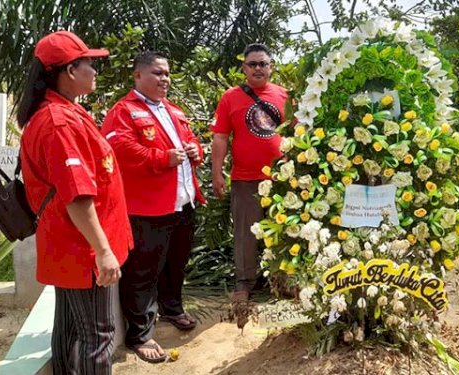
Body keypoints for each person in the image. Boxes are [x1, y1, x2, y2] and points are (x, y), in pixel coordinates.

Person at [17, 31, 132, 374]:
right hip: (81, 247)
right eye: (89, 64)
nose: (95, 71)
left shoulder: (60, 112)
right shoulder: (59, 122)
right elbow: (77, 196)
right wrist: (103, 251)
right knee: (98, 337)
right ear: (68, 70)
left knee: (70, 329)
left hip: (67, 244)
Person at [101, 51, 204, 363]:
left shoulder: (173, 111)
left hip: (183, 202)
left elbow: (192, 142)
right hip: (148, 208)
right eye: (157, 73)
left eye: (167, 74)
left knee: (176, 262)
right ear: (138, 76)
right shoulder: (124, 111)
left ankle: (172, 308)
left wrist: (194, 150)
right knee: (143, 271)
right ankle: (140, 334)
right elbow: (118, 148)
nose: (164, 79)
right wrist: (161, 158)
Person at [211, 43, 288, 301]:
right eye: (252, 64)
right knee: (245, 234)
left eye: (262, 64)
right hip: (246, 179)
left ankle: (281, 281)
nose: (258, 68)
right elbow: (221, 137)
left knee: (283, 231)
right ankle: (244, 283)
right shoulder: (230, 97)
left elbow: (297, 134)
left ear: (271, 67)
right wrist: (217, 172)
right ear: (244, 68)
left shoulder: (286, 96)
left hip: (281, 180)